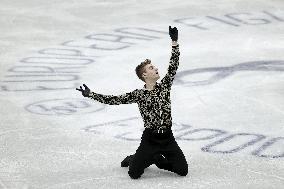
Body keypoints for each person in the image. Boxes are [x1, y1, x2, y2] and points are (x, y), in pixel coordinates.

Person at [76, 26, 188, 179]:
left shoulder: (165, 86)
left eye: (154, 66)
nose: (155, 68)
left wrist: (174, 42)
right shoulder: (139, 94)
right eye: (151, 68)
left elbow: (173, 66)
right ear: (144, 75)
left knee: (182, 170)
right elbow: (114, 100)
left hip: (168, 137)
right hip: (150, 139)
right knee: (134, 174)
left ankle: (158, 160)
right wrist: (91, 94)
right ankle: (136, 158)